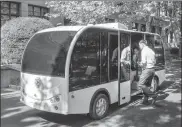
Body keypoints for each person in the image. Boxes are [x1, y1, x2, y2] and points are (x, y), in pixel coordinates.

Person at [138, 40, 157, 104]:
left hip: (147, 70)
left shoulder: (144, 51)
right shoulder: (151, 51)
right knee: (147, 85)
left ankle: (153, 95)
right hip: (152, 69)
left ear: (142, 44)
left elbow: (143, 62)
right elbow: (155, 62)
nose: (139, 47)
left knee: (141, 84)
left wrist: (139, 64)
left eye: (139, 45)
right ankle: (145, 101)